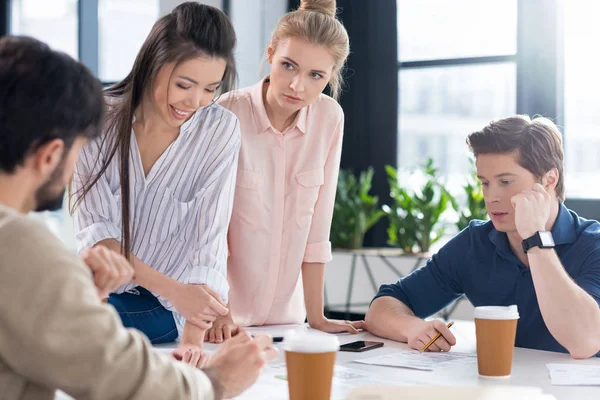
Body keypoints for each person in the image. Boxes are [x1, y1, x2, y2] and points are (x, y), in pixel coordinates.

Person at [0, 35, 275, 400]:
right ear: (51, 155)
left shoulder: (217, 131)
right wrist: (218, 380)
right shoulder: (20, 246)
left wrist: (80, 295)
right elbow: (118, 375)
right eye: (79, 149)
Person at [71, 2, 239, 358]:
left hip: (162, 307)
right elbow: (98, 237)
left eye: (211, 88)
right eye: (184, 84)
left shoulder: (219, 130)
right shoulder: (96, 118)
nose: (195, 101)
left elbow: (208, 242)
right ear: (153, 64)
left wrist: (193, 337)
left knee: (67, 324)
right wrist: (179, 293)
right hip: (95, 287)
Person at [365, 115, 600, 359]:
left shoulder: (593, 245)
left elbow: (585, 342)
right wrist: (413, 327)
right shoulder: (475, 243)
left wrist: (536, 239)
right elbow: (382, 308)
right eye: (485, 183)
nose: (492, 197)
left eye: (506, 181)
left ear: (549, 180)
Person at [207, 0, 365, 343]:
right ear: (270, 54)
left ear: (331, 75)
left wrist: (318, 316)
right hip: (224, 320)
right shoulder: (226, 112)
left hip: (288, 323)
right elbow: (209, 227)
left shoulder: (330, 118)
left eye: (316, 76)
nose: (297, 86)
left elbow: (318, 225)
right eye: (288, 66)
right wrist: (218, 310)